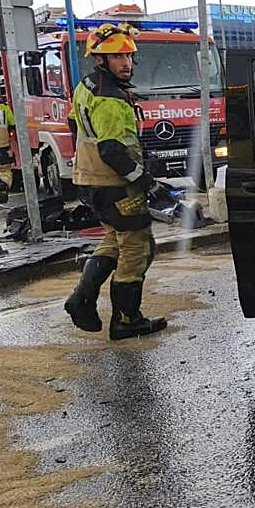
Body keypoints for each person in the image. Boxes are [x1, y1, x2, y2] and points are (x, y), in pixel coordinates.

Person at [64, 23, 171, 340]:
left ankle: (81, 298)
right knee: (138, 247)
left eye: (128, 55)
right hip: (113, 182)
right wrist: (146, 181)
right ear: (100, 60)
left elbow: (74, 123)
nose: (125, 63)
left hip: (91, 179)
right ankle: (126, 319)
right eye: (116, 57)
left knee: (117, 238)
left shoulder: (87, 86)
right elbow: (112, 150)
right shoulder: (110, 98)